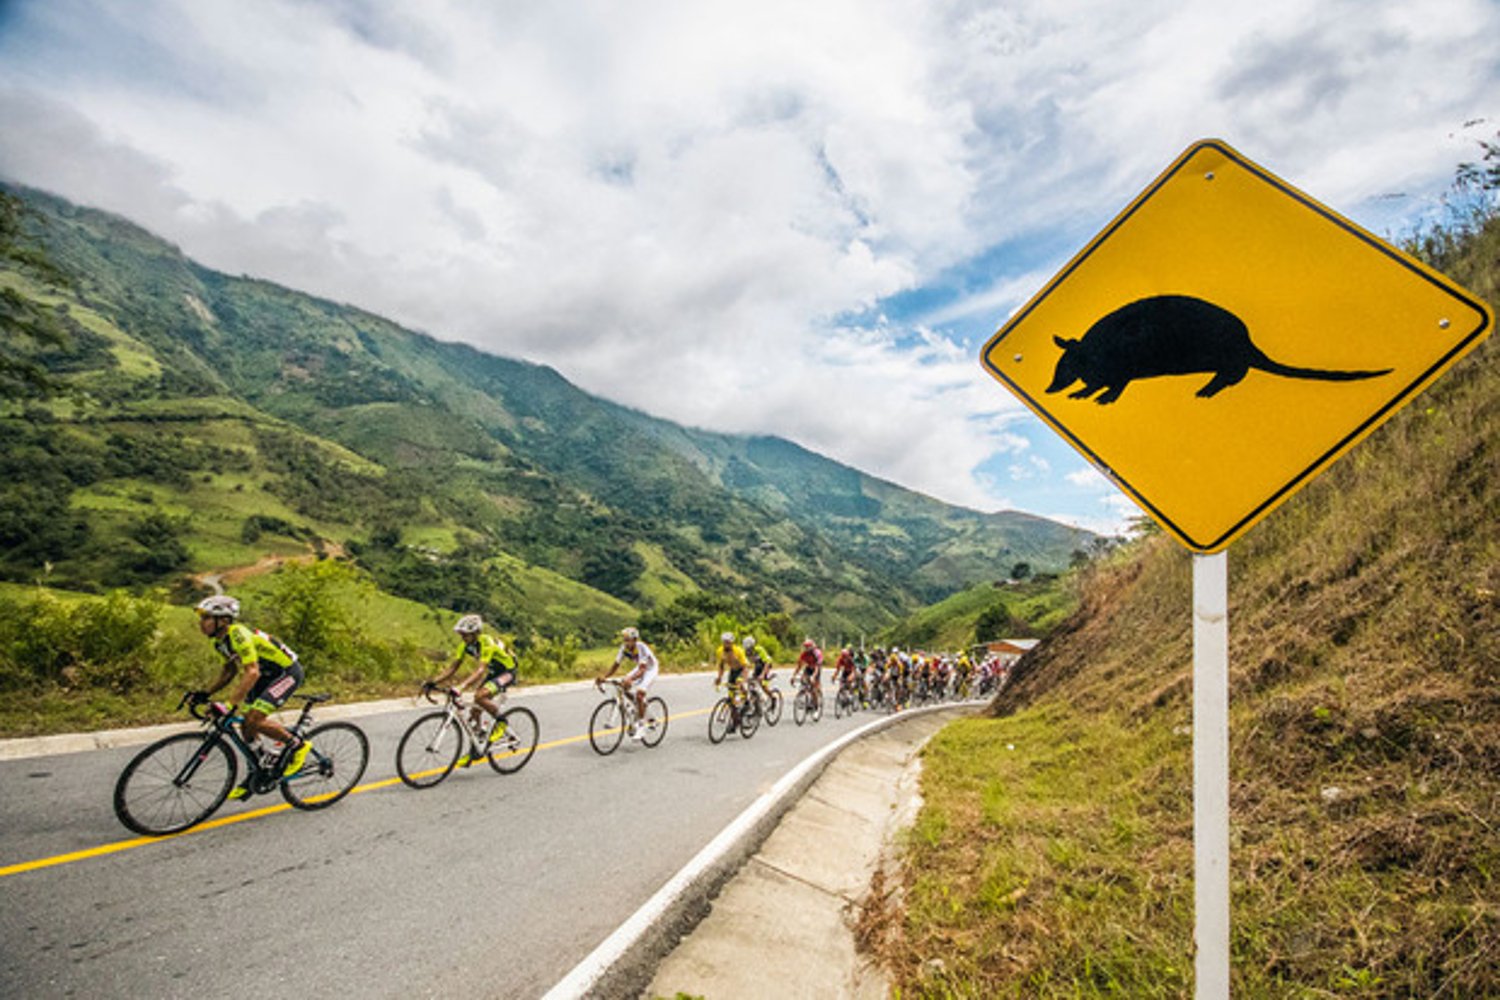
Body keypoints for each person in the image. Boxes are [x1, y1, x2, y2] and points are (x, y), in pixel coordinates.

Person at [192, 595, 312, 801]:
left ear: (223, 620)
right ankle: (259, 771)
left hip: (285, 672)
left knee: (254, 719)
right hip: (265, 676)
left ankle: (297, 746)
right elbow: (229, 671)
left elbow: (252, 672)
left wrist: (229, 704)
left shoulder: (238, 634)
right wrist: (206, 693)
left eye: (207, 618)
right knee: (246, 727)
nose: (201, 623)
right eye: (202, 618)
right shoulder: (219, 642)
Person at [428, 614, 518, 745]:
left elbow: (480, 670)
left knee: (480, 696)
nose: (463, 637)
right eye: (461, 634)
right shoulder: (464, 646)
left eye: (466, 634)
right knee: (475, 711)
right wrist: (433, 682)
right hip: (493, 673)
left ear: (476, 633)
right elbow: (453, 668)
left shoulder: (486, 642)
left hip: (507, 672)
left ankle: (502, 723)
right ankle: (479, 742)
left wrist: (461, 687)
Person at [597, 627, 659, 738]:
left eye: (627, 640)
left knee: (639, 693)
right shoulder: (624, 648)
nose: (625, 642)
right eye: (624, 640)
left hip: (650, 669)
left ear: (634, 640)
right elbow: (616, 665)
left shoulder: (641, 648)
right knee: (623, 686)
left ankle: (641, 726)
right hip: (639, 668)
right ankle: (639, 706)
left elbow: (642, 670)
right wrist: (605, 677)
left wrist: (631, 679)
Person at [712, 631, 749, 707]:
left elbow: (745, 666)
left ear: (732, 643)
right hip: (733, 670)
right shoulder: (720, 651)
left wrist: (743, 680)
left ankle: (747, 700)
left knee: (740, 684)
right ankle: (734, 708)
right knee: (731, 691)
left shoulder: (738, 651)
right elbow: (721, 666)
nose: (726, 645)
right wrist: (719, 677)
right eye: (724, 642)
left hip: (741, 669)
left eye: (728, 643)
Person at [796, 638, 824, 712]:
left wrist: (813, 676)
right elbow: (799, 665)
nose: (806, 648)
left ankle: (816, 706)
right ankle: (805, 694)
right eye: (805, 647)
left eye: (807, 647)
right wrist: (794, 676)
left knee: (813, 687)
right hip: (809, 668)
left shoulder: (817, 653)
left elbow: (817, 667)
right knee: (803, 679)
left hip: (816, 668)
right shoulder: (804, 654)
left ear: (811, 647)